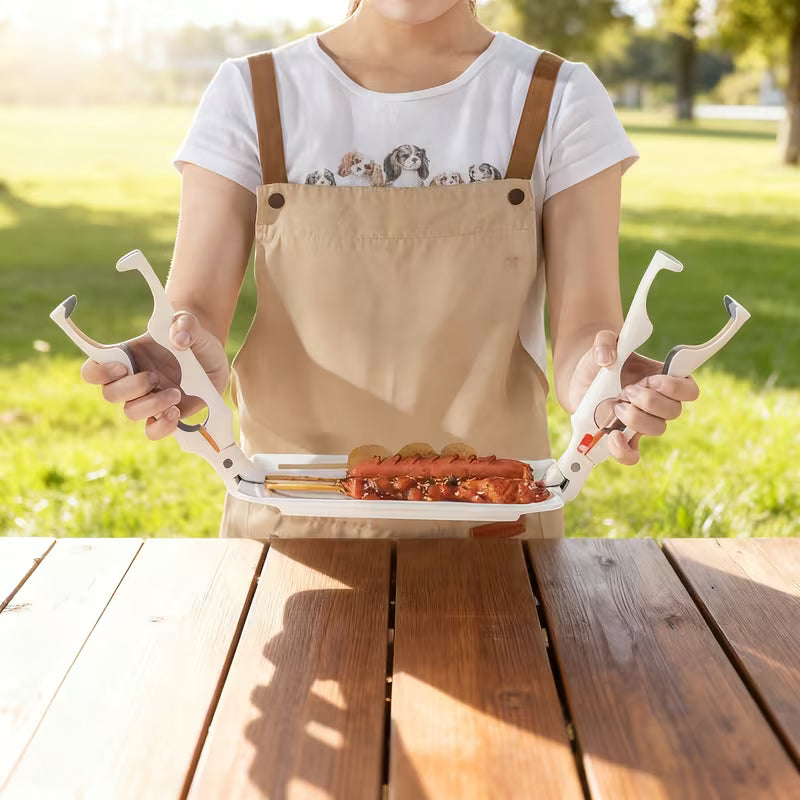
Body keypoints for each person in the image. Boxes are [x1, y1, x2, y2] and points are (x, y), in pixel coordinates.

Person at [81, 0, 699, 539]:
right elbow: (196, 312)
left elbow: (585, 325)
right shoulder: (252, 91)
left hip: (497, 524)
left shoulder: (558, 96)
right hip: (291, 524)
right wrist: (181, 357)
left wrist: (600, 377)